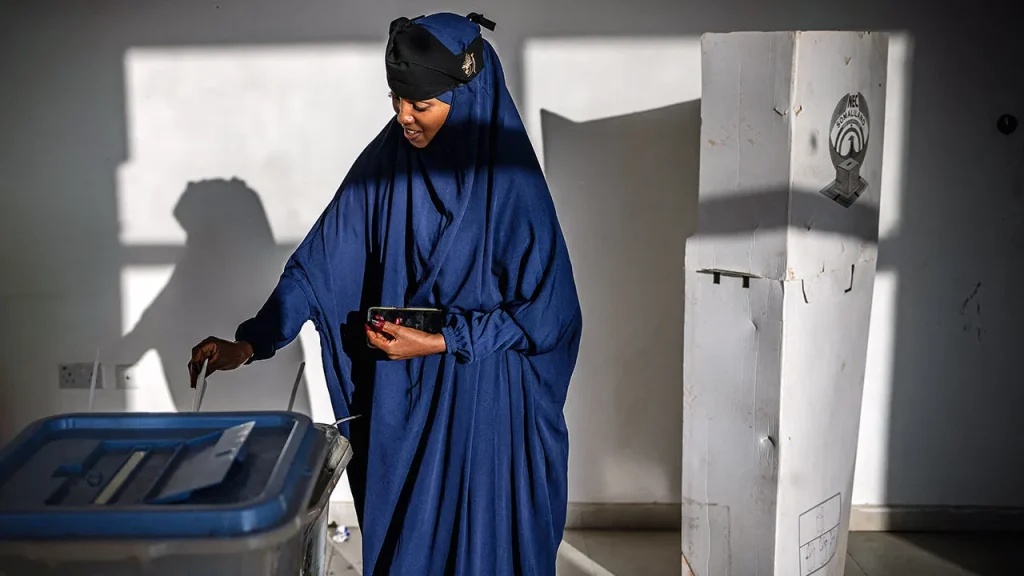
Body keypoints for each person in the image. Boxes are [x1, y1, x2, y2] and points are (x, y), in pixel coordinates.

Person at [188, 12, 582, 576]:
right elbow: (319, 265)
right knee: (408, 549)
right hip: (407, 397)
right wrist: (251, 344)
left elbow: (552, 314)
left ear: (466, 99)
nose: (404, 117)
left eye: (420, 105)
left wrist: (444, 341)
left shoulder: (512, 184)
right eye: (397, 99)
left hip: (487, 407)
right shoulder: (388, 163)